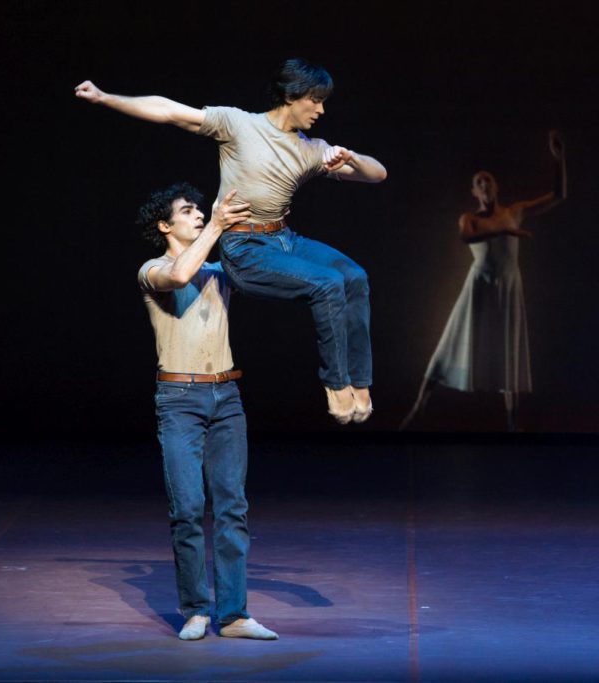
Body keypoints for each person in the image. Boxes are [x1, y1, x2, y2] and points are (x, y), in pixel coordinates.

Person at [76, 59, 387, 424]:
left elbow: (376, 174)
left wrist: (351, 157)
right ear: (292, 95)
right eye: (315, 100)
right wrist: (105, 98)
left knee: (355, 276)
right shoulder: (238, 124)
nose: (321, 110)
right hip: (245, 250)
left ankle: (360, 383)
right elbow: (169, 111)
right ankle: (336, 387)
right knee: (328, 283)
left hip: (285, 238)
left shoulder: (312, 148)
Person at [137, 182, 278, 641]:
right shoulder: (153, 269)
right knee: (189, 508)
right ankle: (196, 609)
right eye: (188, 210)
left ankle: (234, 615)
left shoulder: (220, 270)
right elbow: (180, 276)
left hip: (226, 399)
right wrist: (216, 224)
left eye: (201, 209)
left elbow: (266, 268)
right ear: (165, 225)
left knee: (233, 507)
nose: (198, 214)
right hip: (180, 401)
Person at [401, 131, 567, 432]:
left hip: (507, 285)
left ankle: (512, 425)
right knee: (450, 342)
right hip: (479, 285)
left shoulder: (513, 213)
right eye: (479, 183)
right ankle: (417, 409)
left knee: (508, 349)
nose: (484, 185)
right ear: (474, 192)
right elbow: (467, 237)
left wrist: (559, 160)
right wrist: (508, 233)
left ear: (496, 186)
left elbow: (558, 196)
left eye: (488, 180)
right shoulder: (470, 218)